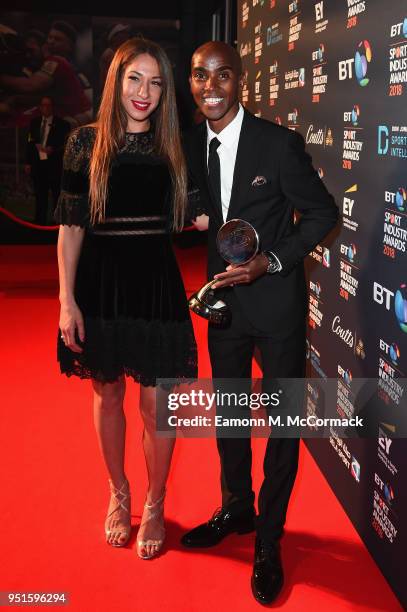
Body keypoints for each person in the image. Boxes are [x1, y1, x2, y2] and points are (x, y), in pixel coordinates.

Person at [182, 42, 338, 604]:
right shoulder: (192, 143)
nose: (211, 84)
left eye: (222, 74)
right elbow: (203, 209)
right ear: (192, 82)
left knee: (283, 426)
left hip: (274, 305)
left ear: (241, 80)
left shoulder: (277, 144)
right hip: (223, 307)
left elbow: (323, 212)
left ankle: (269, 540)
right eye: (200, 75)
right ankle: (237, 509)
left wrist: (269, 262)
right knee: (229, 416)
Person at [55, 37, 197, 560]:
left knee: (158, 407)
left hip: (157, 285)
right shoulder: (83, 144)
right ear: (116, 81)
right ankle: (120, 492)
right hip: (102, 285)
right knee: (107, 394)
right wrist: (67, 301)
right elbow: (70, 230)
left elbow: (202, 214)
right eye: (136, 78)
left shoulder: (175, 147)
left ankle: (156, 502)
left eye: (156, 82)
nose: (145, 92)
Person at [0, 21, 92, 127]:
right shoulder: (46, 67)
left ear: (69, 46)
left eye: (57, 39)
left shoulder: (57, 61)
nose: (51, 41)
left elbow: (30, 85)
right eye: (50, 37)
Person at [25, 96, 70, 225]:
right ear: (40, 107)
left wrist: (53, 149)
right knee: (40, 195)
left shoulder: (63, 124)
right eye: (44, 105)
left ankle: (56, 224)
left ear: (53, 107)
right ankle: (39, 222)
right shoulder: (34, 123)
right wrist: (28, 162)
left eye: (49, 105)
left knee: (56, 195)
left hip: (54, 165)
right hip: (38, 165)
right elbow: (30, 143)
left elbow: (65, 144)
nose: (46, 108)